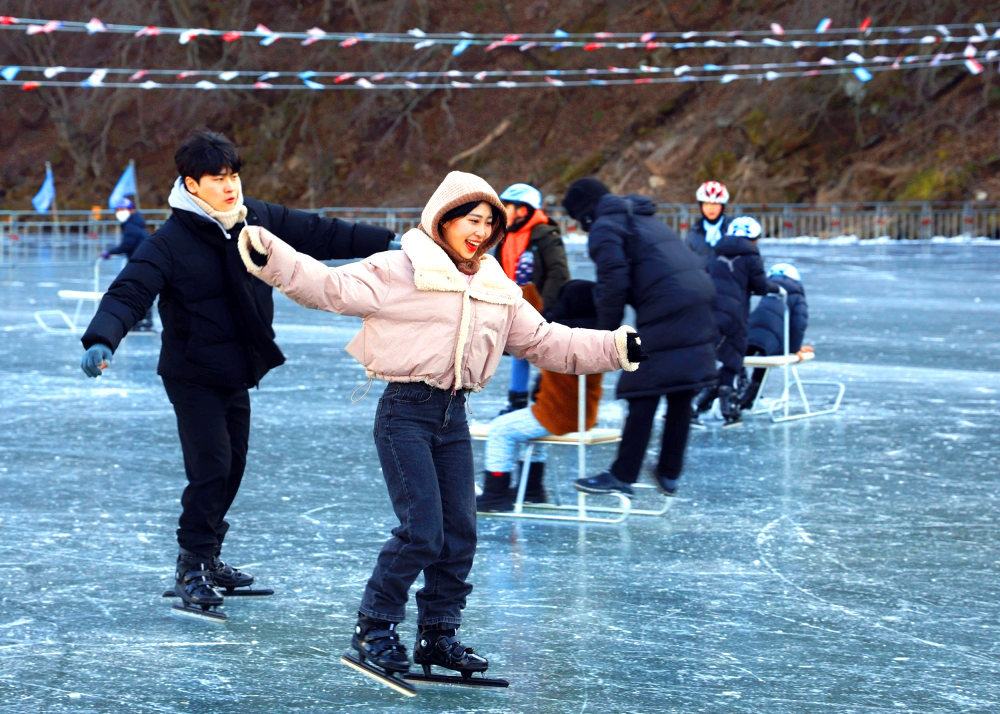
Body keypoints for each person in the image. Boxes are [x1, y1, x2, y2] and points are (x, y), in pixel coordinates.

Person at [235, 171, 645, 686]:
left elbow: (545, 341)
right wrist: (271, 253)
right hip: (404, 412)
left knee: (461, 534)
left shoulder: (495, 285)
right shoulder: (398, 268)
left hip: (455, 414)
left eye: (489, 223)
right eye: (471, 220)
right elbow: (331, 287)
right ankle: (374, 627)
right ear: (443, 218)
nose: (480, 231)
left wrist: (613, 347)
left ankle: (437, 634)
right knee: (422, 531)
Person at [78, 129, 395, 615]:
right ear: (191, 184)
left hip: (236, 367)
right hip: (191, 372)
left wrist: (390, 241)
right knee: (211, 468)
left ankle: (210, 557)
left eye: (233, 175)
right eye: (217, 178)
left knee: (234, 467)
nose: (230, 186)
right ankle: (191, 565)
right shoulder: (170, 241)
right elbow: (129, 292)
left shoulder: (257, 219)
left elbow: (320, 232)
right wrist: (102, 337)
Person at [561, 177, 718, 498]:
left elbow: (613, 283)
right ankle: (669, 472)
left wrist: (604, 339)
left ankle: (623, 474)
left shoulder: (605, 227)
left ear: (586, 214)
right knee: (680, 389)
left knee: (642, 387)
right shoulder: (641, 217)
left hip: (668, 304)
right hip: (699, 298)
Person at [476, 280, 604, 512]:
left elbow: (535, 324)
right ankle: (531, 489)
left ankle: (495, 493)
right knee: (526, 429)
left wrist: (526, 287)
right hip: (583, 414)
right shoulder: (597, 336)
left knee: (500, 429)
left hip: (558, 414)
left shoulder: (564, 339)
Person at [692, 216, 779, 427]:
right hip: (735, 313)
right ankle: (727, 405)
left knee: (708, 355)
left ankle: (694, 402)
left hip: (710, 312)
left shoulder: (716, 253)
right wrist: (776, 288)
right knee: (733, 356)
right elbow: (760, 286)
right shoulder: (751, 257)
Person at [495, 183, 571, 415]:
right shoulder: (505, 235)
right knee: (521, 351)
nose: (505, 211)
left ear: (524, 210)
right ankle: (517, 400)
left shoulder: (545, 234)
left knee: (548, 354)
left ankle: (556, 402)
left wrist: (544, 306)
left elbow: (558, 272)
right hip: (515, 304)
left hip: (541, 306)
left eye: (509, 207)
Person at [741, 263, 809, 409]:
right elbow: (799, 324)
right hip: (772, 338)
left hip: (750, 333)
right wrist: (793, 349)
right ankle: (751, 394)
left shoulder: (770, 291)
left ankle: (733, 388)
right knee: (765, 356)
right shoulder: (796, 295)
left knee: (743, 357)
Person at [101, 197, 153, 330]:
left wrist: (110, 252)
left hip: (142, 262)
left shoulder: (131, 226)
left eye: (123, 209)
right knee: (140, 291)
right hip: (142, 261)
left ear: (131, 210)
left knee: (138, 292)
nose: (120, 212)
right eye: (118, 210)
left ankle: (143, 320)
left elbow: (126, 245)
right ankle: (143, 320)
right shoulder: (134, 222)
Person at [685, 181, 731, 267]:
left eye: (715, 204)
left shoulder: (733, 231)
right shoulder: (693, 234)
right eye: (706, 204)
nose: (710, 208)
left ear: (722, 206)